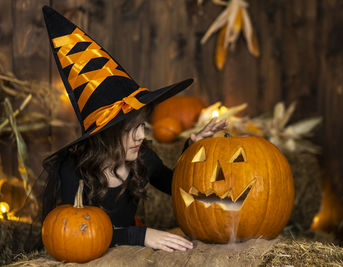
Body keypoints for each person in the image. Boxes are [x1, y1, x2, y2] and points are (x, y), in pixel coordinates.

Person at [40, 6, 227, 253]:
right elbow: (73, 233)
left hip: (129, 254)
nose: (141, 135)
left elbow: (178, 186)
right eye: (130, 129)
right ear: (104, 133)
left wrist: (192, 148)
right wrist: (141, 235)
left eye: (142, 126)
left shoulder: (142, 157)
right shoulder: (74, 169)